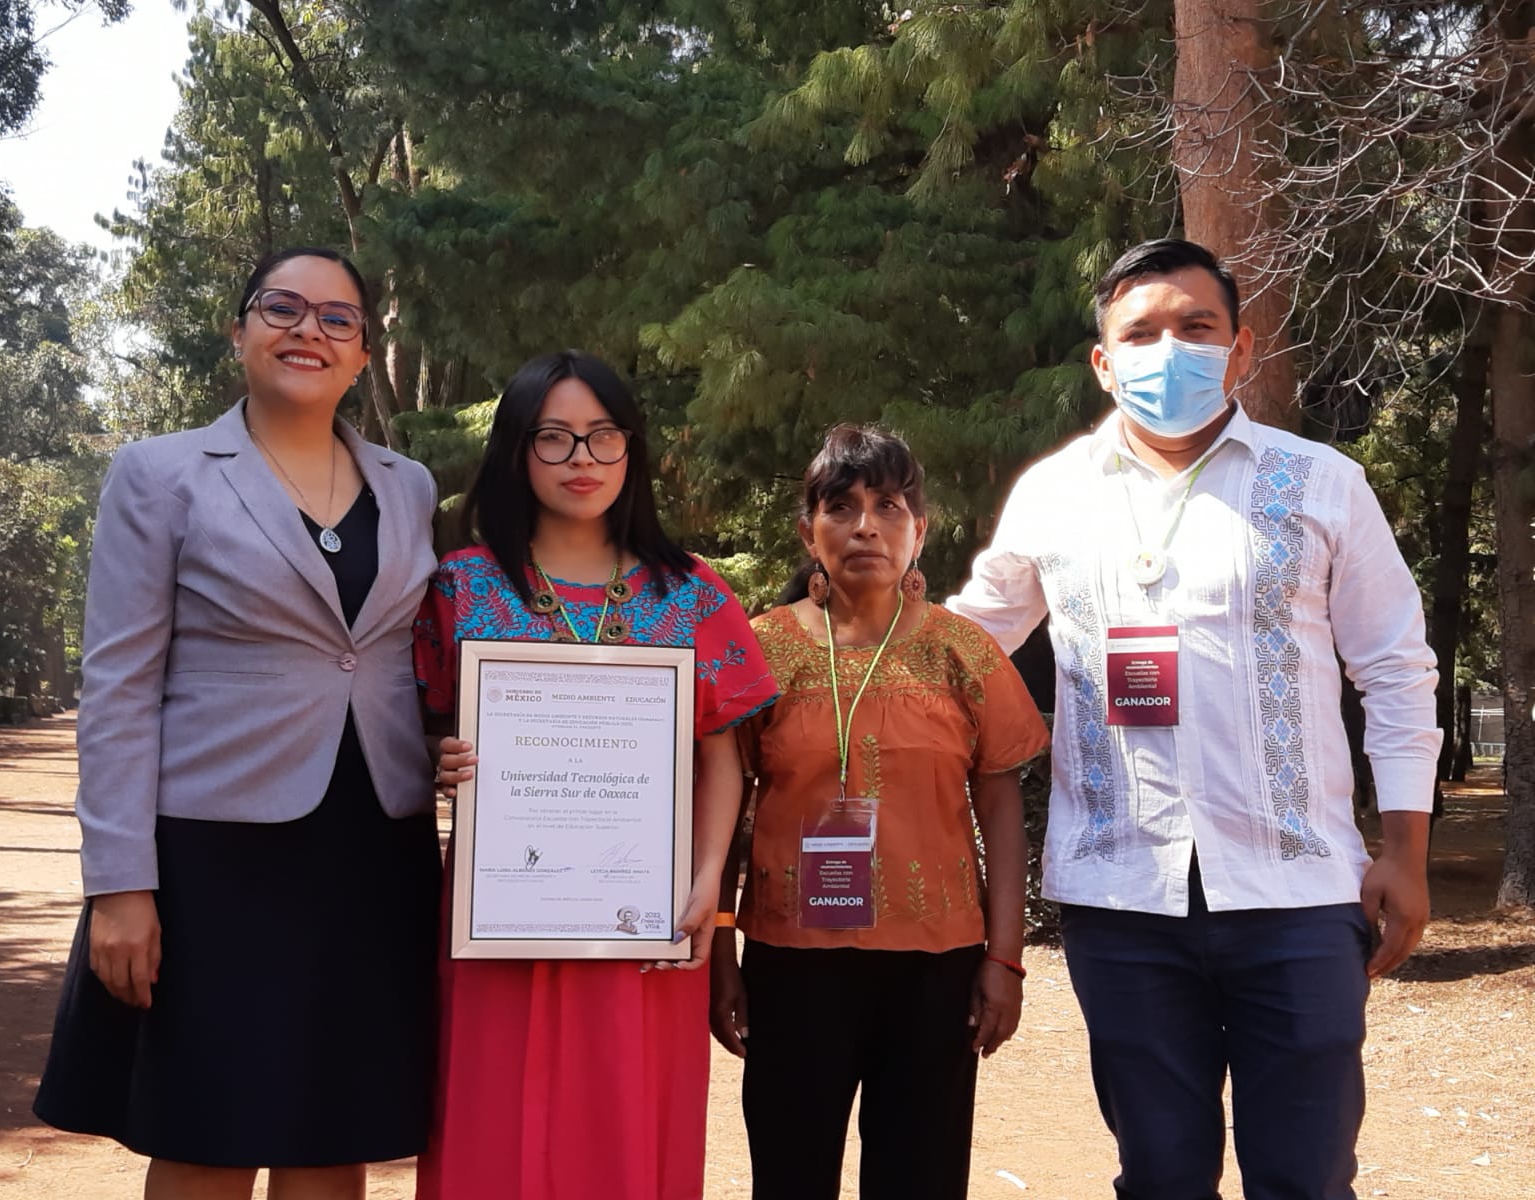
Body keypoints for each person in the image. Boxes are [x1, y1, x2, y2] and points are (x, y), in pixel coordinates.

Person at [947, 238, 1441, 1200]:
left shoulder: (1322, 484)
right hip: (1120, 899)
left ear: (1242, 349)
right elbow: (968, 640)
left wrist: (1407, 854)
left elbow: (1396, 669)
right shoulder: (1052, 495)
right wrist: (824, 644)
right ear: (1102, 360)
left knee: (1304, 1179)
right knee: (1161, 1176)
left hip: (1297, 891)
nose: (1167, 349)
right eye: (1139, 333)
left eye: (1196, 327)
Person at [33, 247, 443, 1200]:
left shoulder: (408, 486)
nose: (309, 330)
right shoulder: (160, 474)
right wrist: (120, 885)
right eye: (283, 308)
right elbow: (120, 687)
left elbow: (390, 663)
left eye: (337, 318)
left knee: (332, 1129)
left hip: (372, 846)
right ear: (241, 329)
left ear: (363, 354)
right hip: (214, 855)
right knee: (207, 1133)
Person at [411, 350, 778, 1200]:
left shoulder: (691, 594)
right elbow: (419, 729)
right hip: (495, 918)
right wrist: (440, 757)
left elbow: (723, 749)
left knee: (625, 1129)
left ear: (633, 451)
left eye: (603, 436)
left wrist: (705, 888)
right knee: (490, 1126)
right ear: (515, 453)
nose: (583, 459)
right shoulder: (457, 588)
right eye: (555, 438)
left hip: (639, 919)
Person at [709, 426, 1050, 1200]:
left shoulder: (964, 653)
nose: (866, 525)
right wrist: (722, 953)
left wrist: (1004, 959)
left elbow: (1000, 806)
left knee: (920, 1178)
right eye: (842, 507)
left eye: (889, 507)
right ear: (808, 530)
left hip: (937, 968)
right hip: (791, 963)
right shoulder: (757, 653)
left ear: (919, 531)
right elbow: (723, 813)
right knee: (791, 1176)